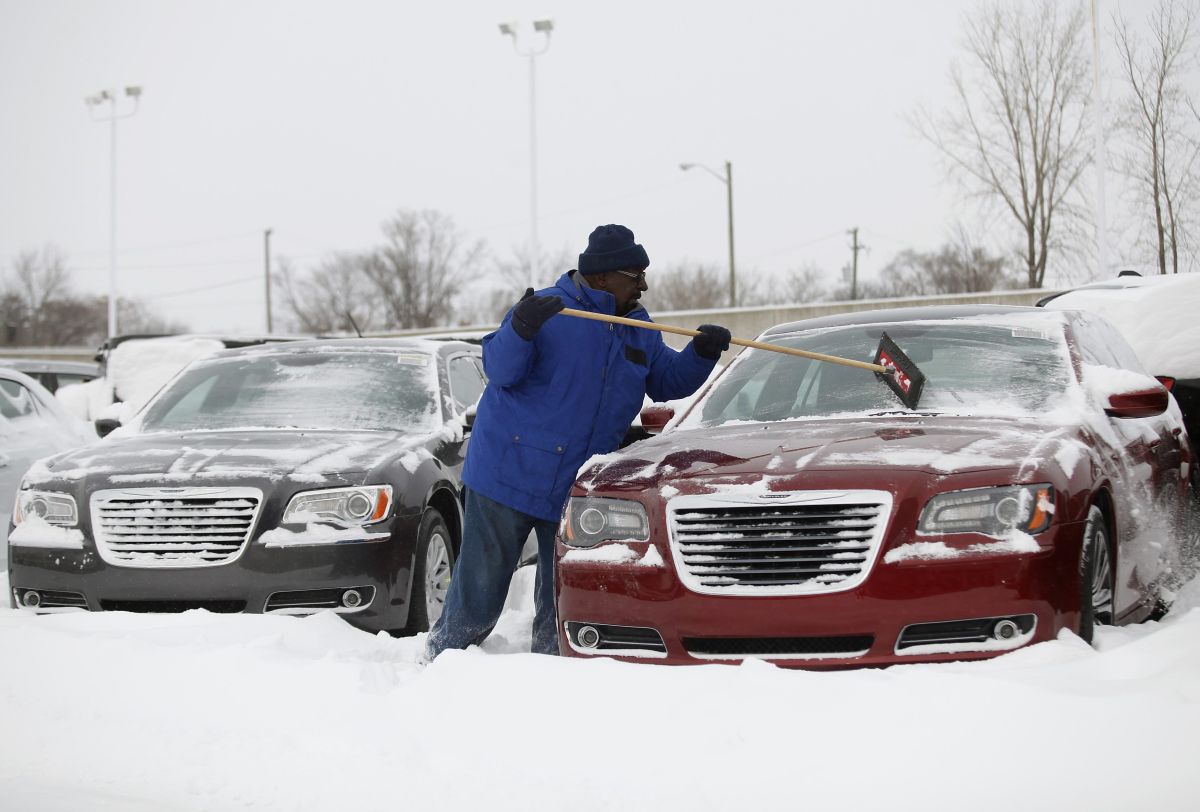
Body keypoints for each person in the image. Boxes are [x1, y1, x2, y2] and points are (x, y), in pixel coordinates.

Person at [425, 224, 731, 657]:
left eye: (645, 273)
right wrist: (520, 328)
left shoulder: (637, 325)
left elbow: (664, 379)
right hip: (506, 474)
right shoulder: (548, 311)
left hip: (574, 485)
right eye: (634, 274)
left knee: (561, 598)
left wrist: (702, 354)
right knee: (480, 590)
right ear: (602, 276)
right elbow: (501, 369)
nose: (644, 284)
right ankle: (443, 660)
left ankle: (555, 674)